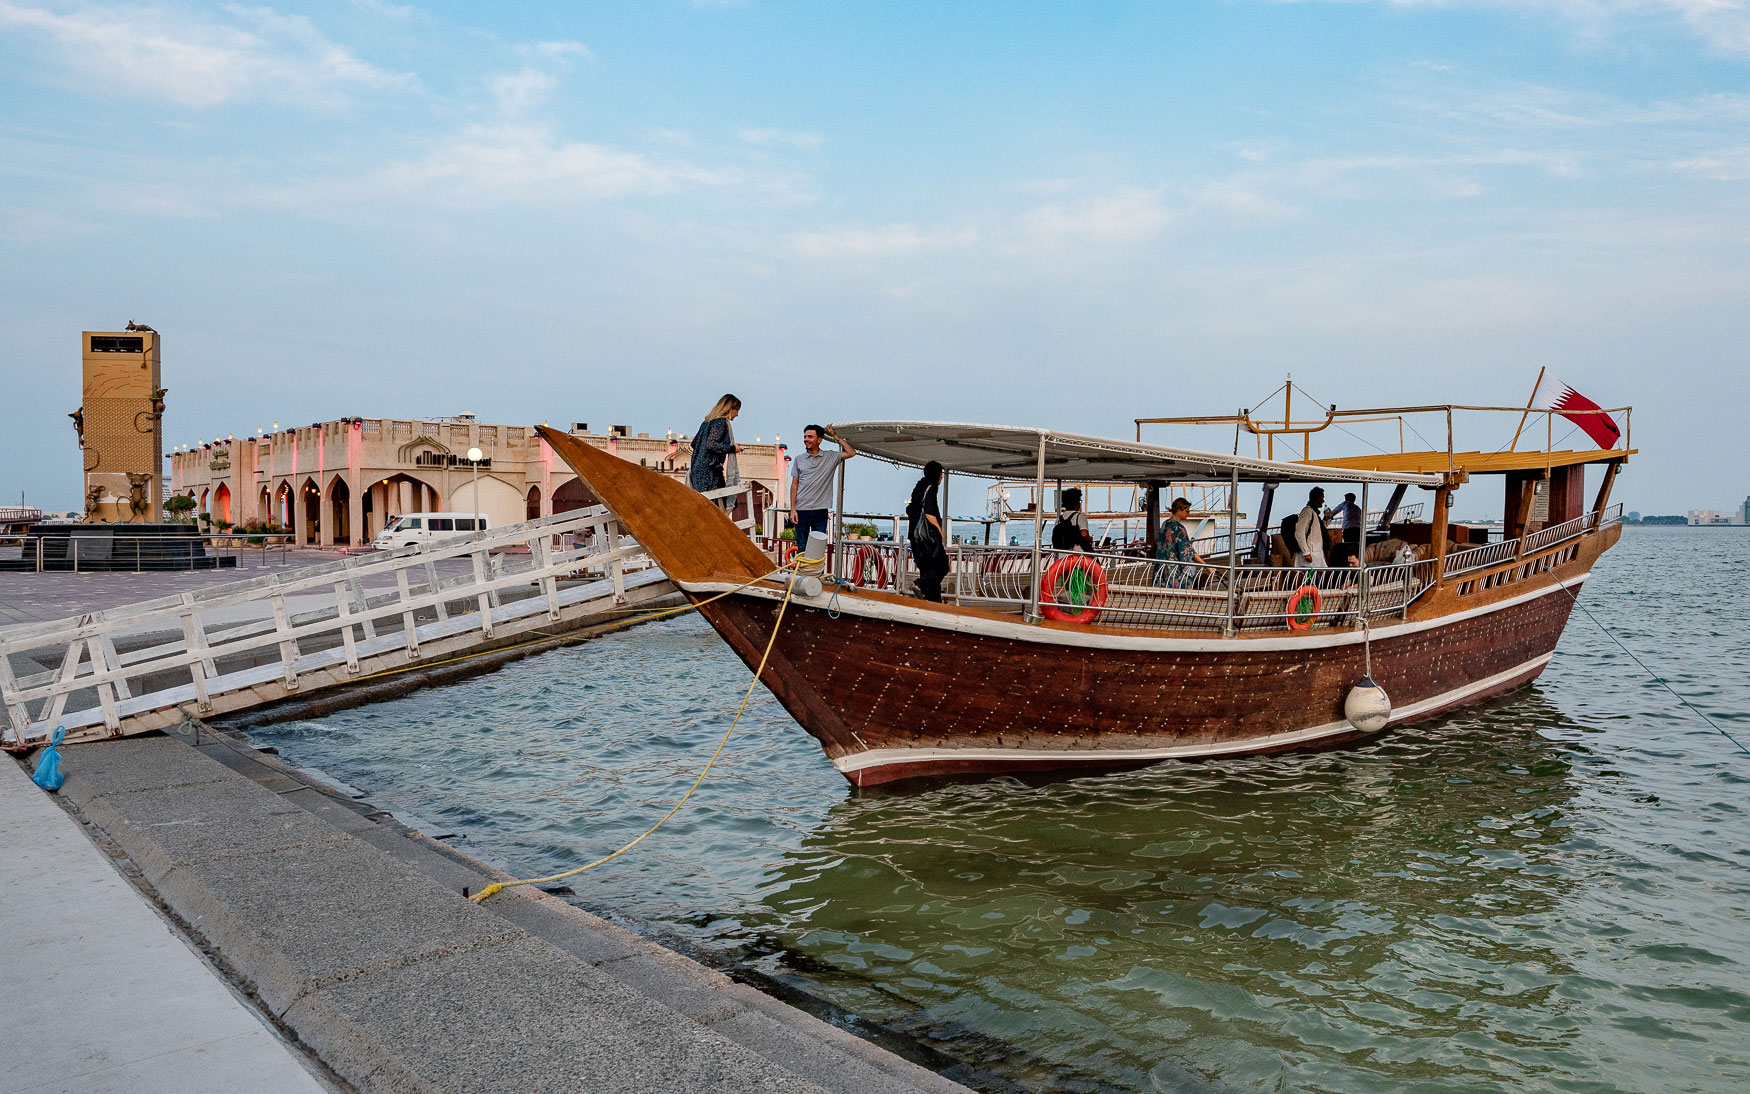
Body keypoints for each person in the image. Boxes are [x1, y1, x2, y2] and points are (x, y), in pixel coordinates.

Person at [788, 423, 855, 554]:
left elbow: (851, 452)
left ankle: (816, 574)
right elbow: (794, 485)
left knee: (818, 547)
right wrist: (792, 509)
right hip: (801, 510)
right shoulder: (798, 459)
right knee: (802, 546)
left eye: (810, 437)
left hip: (820, 511)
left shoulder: (830, 457)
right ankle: (803, 573)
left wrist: (836, 437)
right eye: (805, 436)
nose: (806, 439)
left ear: (819, 440)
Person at [907, 461, 950, 602]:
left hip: (916, 538)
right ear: (936, 474)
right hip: (929, 538)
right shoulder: (931, 488)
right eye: (941, 475)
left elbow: (912, 510)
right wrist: (940, 531)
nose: (941, 478)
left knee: (927, 570)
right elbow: (929, 513)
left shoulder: (919, 487)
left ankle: (933, 601)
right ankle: (920, 584)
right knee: (942, 565)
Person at [688, 394, 743, 496]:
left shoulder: (707, 422)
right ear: (730, 409)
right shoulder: (720, 422)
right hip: (709, 472)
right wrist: (732, 448)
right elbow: (711, 444)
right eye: (737, 410)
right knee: (715, 502)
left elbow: (694, 443)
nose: (737, 414)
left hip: (697, 469)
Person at [1154, 497, 1207, 587]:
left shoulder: (1165, 524)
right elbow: (1188, 551)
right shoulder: (1179, 528)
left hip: (1161, 570)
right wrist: (1206, 566)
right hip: (1173, 572)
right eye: (1187, 511)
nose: (1188, 514)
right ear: (1179, 510)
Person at [1050, 487, 1094, 552]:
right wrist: (1089, 539)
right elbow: (1084, 534)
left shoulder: (1059, 519)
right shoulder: (1080, 516)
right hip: (1078, 555)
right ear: (1076, 504)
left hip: (1062, 555)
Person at [1295, 487, 1329, 569]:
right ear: (1317, 498)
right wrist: (1306, 553)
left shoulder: (1314, 513)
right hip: (1311, 554)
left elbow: (1316, 530)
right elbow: (1299, 532)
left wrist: (1326, 519)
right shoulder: (1307, 512)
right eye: (1322, 498)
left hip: (1315, 554)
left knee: (1314, 579)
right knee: (1311, 579)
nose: (1323, 501)